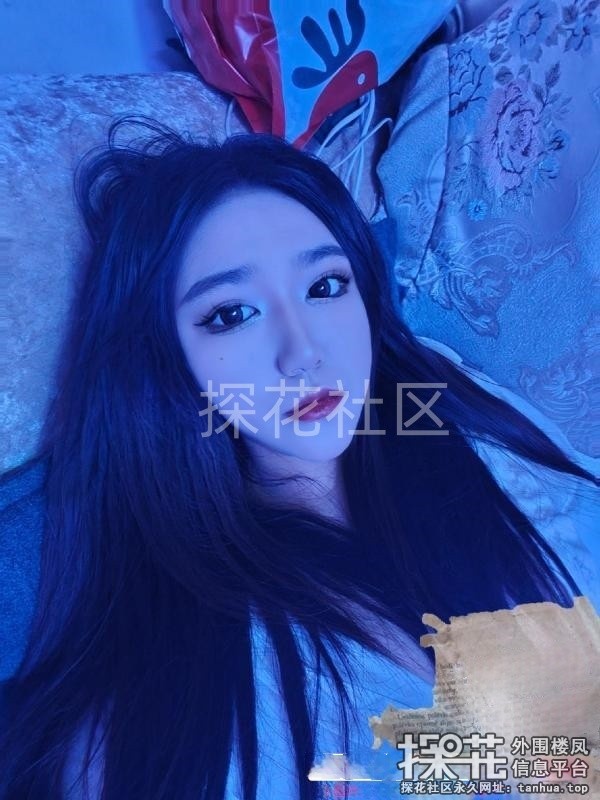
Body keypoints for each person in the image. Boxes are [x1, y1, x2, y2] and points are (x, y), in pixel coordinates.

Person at [0, 117, 597, 800]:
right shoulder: (157, 729)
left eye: (325, 286)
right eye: (231, 314)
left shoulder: (462, 417)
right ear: (162, 360)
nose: (303, 352)